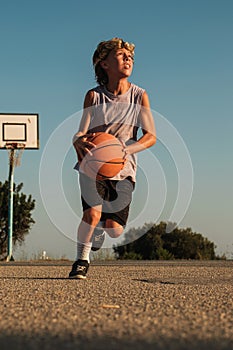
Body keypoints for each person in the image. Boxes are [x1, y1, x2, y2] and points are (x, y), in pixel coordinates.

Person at [69, 37, 156, 279]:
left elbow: (151, 137)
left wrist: (126, 150)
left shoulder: (139, 96)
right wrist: (76, 139)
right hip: (92, 163)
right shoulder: (94, 96)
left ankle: (100, 228)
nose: (128, 58)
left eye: (131, 56)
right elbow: (81, 130)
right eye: (121, 55)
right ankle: (81, 260)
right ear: (104, 64)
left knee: (115, 230)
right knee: (92, 214)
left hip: (123, 167)